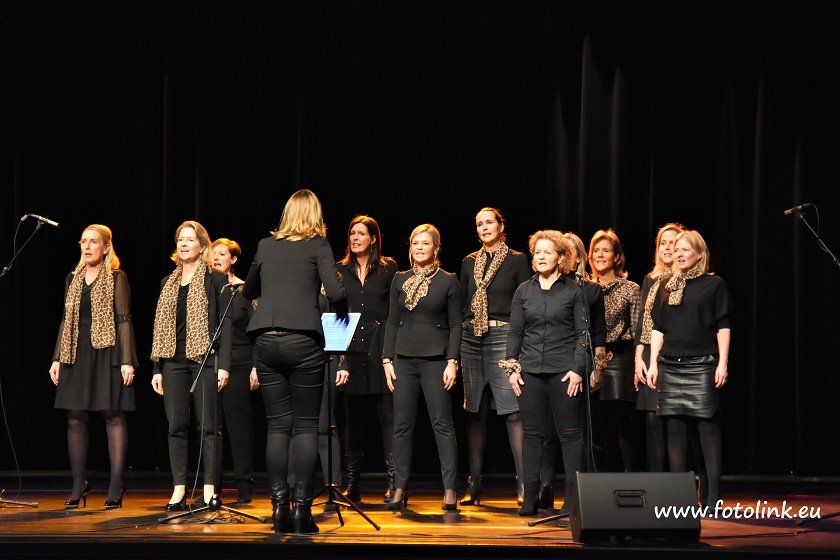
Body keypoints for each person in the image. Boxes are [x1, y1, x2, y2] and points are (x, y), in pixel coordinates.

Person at [242, 188, 346, 534]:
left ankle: (278, 509)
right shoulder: (318, 245)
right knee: (305, 426)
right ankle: (301, 510)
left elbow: (248, 291)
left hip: (266, 340)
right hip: (304, 341)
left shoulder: (265, 245)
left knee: (276, 426)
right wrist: (339, 321)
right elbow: (336, 293)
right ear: (315, 215)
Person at [50, 224, 137, 509]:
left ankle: (116, 484)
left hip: (107, 349)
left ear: (106, 247)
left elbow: (123, 319)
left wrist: (126, 360)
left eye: (93, 242)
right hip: (75, 351)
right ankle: (79, 484)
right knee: (75, 416)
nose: (87, 246)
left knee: (112, 413)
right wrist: (57, 357)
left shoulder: (117, 277)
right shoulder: (72, 279)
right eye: (83, 241)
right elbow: (65, 319)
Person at [502, 230, 587, 517]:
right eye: (537, 252)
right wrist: (512, 368)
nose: (540, 257)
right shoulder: (524, 291)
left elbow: (582, 335)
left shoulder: (573, 290)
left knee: (569, 434)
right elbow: (515, 332)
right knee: (532, 435)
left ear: (560, 258)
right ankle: (530, 497)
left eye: (547, 252)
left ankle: (573, 500)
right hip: (531, 372)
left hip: (564, 372)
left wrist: (577, 370)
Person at [150, 221, 231, 511]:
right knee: (176, 426)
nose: (184, 244)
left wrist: (224, 366)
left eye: (190, 239)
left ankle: (209, 488)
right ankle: (179, 488)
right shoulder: (167, 283)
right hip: (172, 362)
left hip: (204, 361)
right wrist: (157, 368)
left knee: (208, 426)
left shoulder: (216, 280)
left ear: (202, 245)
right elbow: (160, 328)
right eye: (180, 240)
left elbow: (226, 325)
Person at [647, 230, 731, 509]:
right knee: (675, 429)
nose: (679, 254)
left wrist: (722, 363)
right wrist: (653, 362)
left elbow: (723, 325)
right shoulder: (666, 286)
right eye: (677, 249)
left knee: (707, 427)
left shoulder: (714, 284)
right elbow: (658, 328)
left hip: (702, 363)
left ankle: (713, 496)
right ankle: (680, 498)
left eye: (685, 249)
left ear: (699, 254)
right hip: (670, 364)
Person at [382, 224, 461, 511]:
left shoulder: (448, 281)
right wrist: (387, 360)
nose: (419, 248)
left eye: (425, 243)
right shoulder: (400, 279)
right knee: (402, 426)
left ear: (436, 248)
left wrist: (452, 361)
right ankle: (400, 486)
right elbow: (392, 321)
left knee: (442, 424)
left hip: (435, 360)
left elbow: (456, 325)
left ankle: (450, 488)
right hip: (403, 359)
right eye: (415, 243)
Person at [458, 208, 530, 506]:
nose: (484, 227)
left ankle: (524, 483)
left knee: (513, 411)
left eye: (489, 222)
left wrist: (518, 346)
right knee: (475, 412)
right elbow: (462, 303)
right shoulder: (468, 262)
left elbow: (525, 302)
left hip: (503, 335)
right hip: (471, 338)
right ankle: (474, 484)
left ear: (501, 226)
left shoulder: (517, 259)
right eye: (479, 224)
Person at [335, 216, 398, 503]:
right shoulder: (339, 270)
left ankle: (394, 482)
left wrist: (391, 355)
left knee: (389, 418)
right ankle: (352, 483)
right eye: (352, 233)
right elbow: (336, 314)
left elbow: (394, 314)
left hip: (381, 349)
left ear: (373, 238)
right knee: (353, 421)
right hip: (351, 351)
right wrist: (340, 361)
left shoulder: (389, 269)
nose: (355, 238)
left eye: (361, 233)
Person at [633, 223, 685, 472]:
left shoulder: (685, 279)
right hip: (650, 354)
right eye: (663, 243)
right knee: (652, 417)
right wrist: (638, 358)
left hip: (674, 354)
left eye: (673, 243)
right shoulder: (650, 279)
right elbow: (644, 320)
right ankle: (657, 482)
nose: (667, 247)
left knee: (675, 420)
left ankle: (678, 483)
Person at [588, 229, 641, 472]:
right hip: (591, 357)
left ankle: (629, 479)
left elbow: (638, 330)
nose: (600, 255)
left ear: (616, 256)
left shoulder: (630, 288)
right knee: (599, 423)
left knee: (622, 422)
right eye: (596, 251)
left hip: (620, 357)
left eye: (606, 251)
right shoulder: (585, 288)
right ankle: (606, 482)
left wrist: (638, 363)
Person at [211, 238, 260, 504]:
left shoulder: (244, 291)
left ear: (233, 259)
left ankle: (244, 483)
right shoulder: (205, 288)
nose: (216, 258)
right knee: (210, 427)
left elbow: (257, 332)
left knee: (239, 426)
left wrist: (256, 366)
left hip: (240, 363)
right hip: (210, 363)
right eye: (213, 254)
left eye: (222, 254)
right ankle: (212, 485)